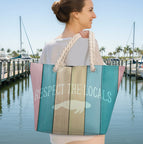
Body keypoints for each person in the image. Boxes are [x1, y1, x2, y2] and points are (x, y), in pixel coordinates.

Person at [39, 0, 105, 143]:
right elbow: (104, 77)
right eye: (90, 10)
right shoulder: (89, 43)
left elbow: (42, 82)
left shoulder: (49, 45)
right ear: (75, 13)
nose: (94, 15)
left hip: (57, 128)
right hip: (88, 130)